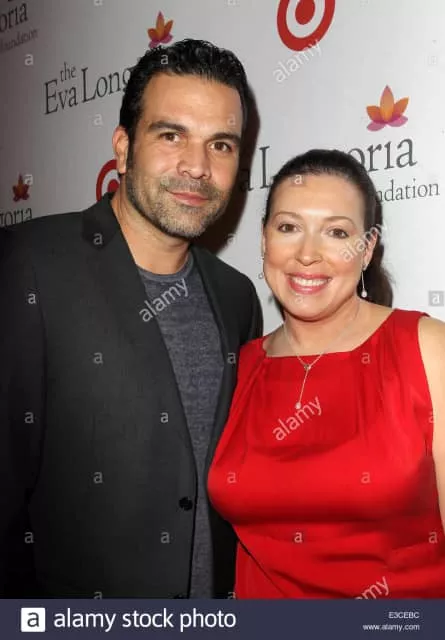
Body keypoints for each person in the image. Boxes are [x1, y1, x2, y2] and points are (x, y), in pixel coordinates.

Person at [0, 39, 262, 598]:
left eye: (220, 144)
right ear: (123, 148)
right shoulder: (28, 266)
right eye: (171, 135)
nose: (197, 166)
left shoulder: (238, 297)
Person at [208, 149, 445, 598]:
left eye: (337, 232)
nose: (307, 255)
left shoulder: (427, 349)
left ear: (366, 249)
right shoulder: (239, 367)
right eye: (288, 227)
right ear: (264, 239)